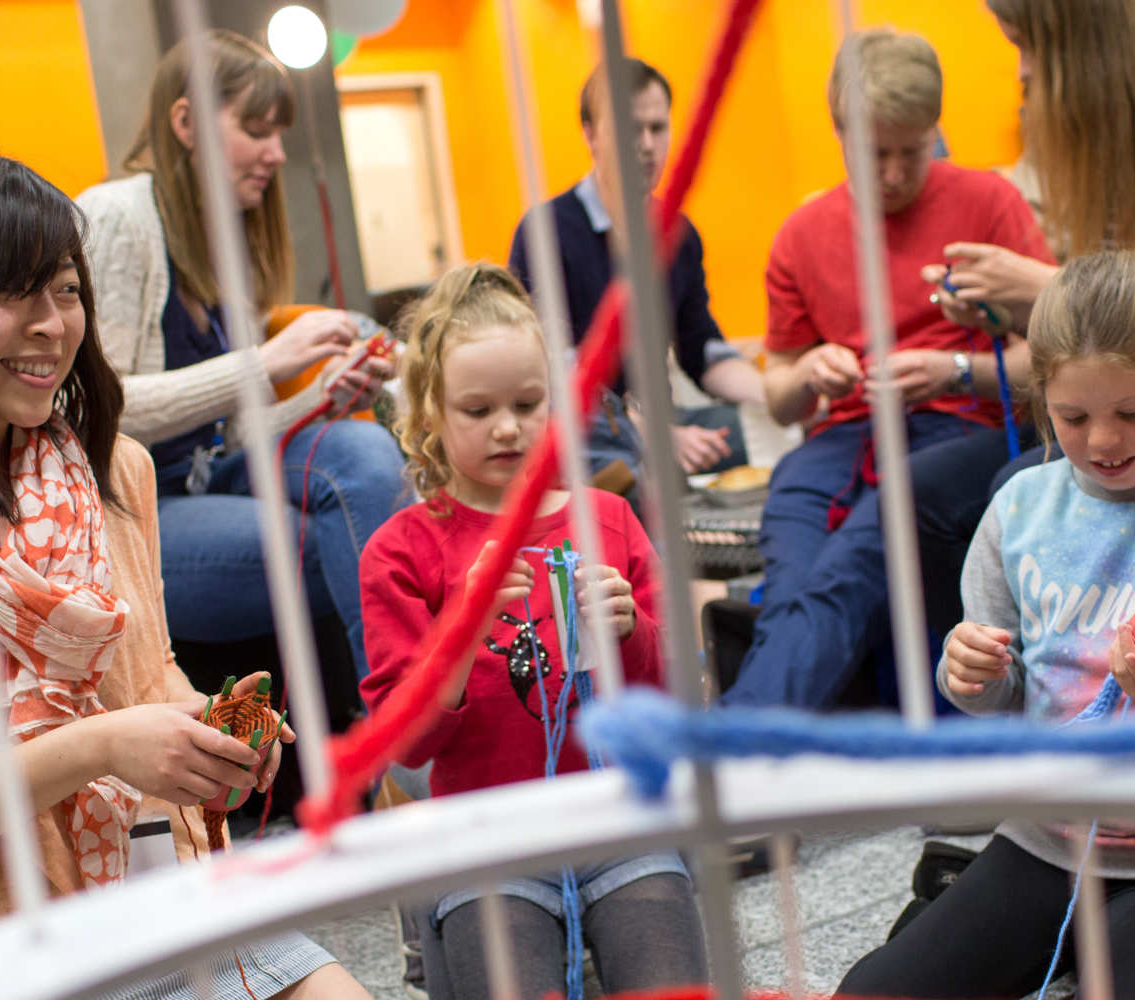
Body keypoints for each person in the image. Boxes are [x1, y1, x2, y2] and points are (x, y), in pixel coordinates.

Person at [0, 148, 365, 999]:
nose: (54, 324)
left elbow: (148, 672)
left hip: (174, 886)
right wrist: (99, 746)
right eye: (14, 293)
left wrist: (209, 731)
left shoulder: (115, 471)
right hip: (0, 948)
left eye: (68, 290)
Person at [723, 0, 1135, 712]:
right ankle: (981, 715)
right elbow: (1097, 343)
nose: (1021, 70)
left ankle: (1051, 721)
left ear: (1083, 37)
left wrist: (1035, 290)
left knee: (1021, 485)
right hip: (1131, 407)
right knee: (963, 497)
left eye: (1028, 46)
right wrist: (1015, 305)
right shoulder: (1121, 140)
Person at [838, 250, 1135, 1000]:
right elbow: (1000, 694)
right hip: (1044, 841)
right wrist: (969, 673)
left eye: (1132, 413)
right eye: (1072, 417)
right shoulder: (1019, 507)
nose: (1100, 441)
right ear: (1041, 402)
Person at [356, 263, 707, 1000]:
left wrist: (632, 631)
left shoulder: (608, 518)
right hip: (487, 843)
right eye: (477, 410)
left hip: (619, 827)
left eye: (528, 403)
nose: (509, 426)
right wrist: (461, 633)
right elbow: (406, 742)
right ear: (425, 419)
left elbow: (676, 696)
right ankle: (430, 930)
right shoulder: (399, 550)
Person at [727, 27, 1053, 707]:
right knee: (794, 576)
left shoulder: (989, 204)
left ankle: (737, 749)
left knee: (849, 567)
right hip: (839, 439)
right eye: (877, 155)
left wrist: (954, 371)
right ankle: (779, 756)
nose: (899, 175)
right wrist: (810, 370)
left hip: (956, 428)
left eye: (914, 151)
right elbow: (781, 395)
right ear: (839, 133)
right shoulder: (801, 234)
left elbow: (1052, 358)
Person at [77, 30, 405, 679]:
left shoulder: (230, 243)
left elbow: (231, 437)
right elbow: (97, 411)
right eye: (257, 129)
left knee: (368, 455)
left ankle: (404, 717)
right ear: (185, 121)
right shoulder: (114, 218)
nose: (277, 153)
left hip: (216, 477)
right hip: (137, 508)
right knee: (332, 543)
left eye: (279, 133)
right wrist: (265, 363)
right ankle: (406, 724)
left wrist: (325, 396)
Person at [509, 58, 764, 483]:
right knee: (617, 459)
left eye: (658, 128)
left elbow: (702, 350)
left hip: (658, 420)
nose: (647, 145)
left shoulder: (678, 232)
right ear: (590, 134)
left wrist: (778, 392)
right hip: (584, 434)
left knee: (745, 432)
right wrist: (656, 436)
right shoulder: (546, 231)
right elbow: (554, 378)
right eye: (631, 129)